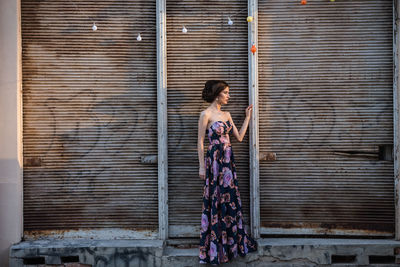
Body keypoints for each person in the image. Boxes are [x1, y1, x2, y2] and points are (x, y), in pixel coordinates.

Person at [197, 80, 258, 265]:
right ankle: (216, 247)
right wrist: (201, 166)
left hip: (228, 163)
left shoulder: (227, 114)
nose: (229, 96)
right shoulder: (205, 114)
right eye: (226, 92)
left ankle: (231, 244)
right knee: (215, 200)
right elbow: (200, 142)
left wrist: (247, 117)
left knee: (230, 200)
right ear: (217, 94)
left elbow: (238, 137)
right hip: (214, 163)